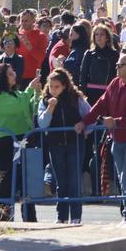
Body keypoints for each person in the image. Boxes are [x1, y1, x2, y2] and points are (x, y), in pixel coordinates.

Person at [74, 53, 126, 227]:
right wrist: (84, 122)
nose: (117, 67)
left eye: (120, 65)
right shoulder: (115, 84)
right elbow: (101, 104)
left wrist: (116, 122)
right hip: (117, 139)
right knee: (123, 179)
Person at [36, 69, 90, 224]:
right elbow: (42, 124)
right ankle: (61, 216)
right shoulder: (45, 100)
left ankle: (76, 216)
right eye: (51, 86)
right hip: (56, 145)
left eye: (57, 86)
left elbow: (89, 115)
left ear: (65, 86)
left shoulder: (75, 98)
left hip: (75, 144)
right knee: (61, 182)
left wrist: (85, 128)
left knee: (74, 181)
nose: (53, 90)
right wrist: (50, 109)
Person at [0, 63, 40, 222]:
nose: (14, 76)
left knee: (26, 179)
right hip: (7, 141)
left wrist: (37, 94)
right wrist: (31, 89)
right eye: (10, 74)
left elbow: (29, 108)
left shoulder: (18, 93)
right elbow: (17, 107)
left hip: (23, 138)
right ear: (3, 78)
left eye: (13, 73)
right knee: (7, 179)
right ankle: (3, 216)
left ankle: (30, 218)